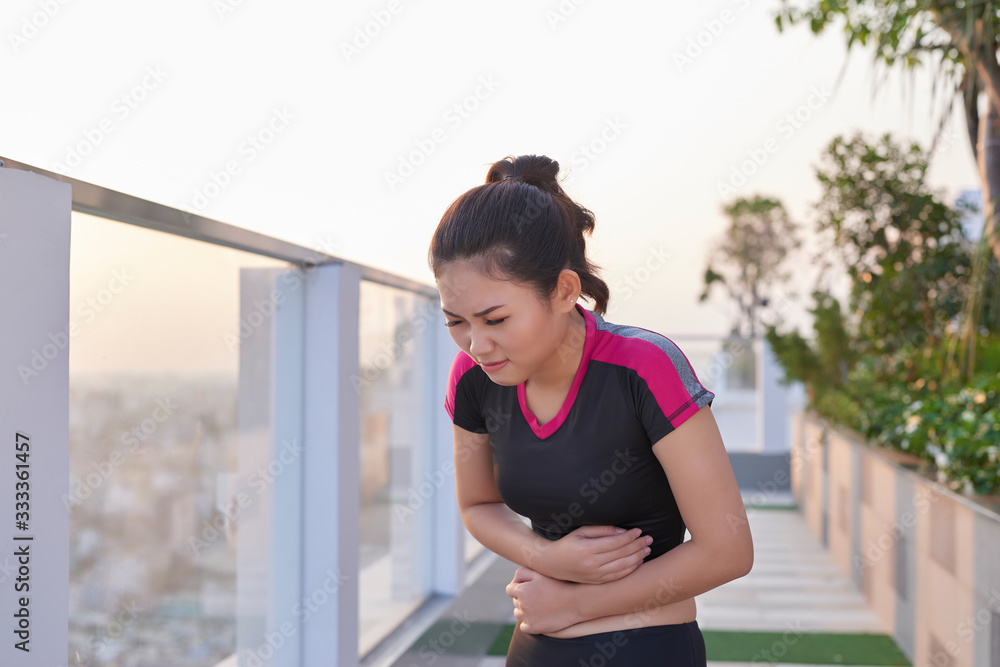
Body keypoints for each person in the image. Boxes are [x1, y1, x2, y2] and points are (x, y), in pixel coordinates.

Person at [428, 154, 753, 666]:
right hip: (536, 647)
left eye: (494, 319)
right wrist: (548, 557)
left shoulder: (646, 368)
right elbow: (477, 506)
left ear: (563, 291)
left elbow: (728, 550)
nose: (476, 344)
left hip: (648, 648)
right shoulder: (473, 379)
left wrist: (577, 601)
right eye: (456, 321)